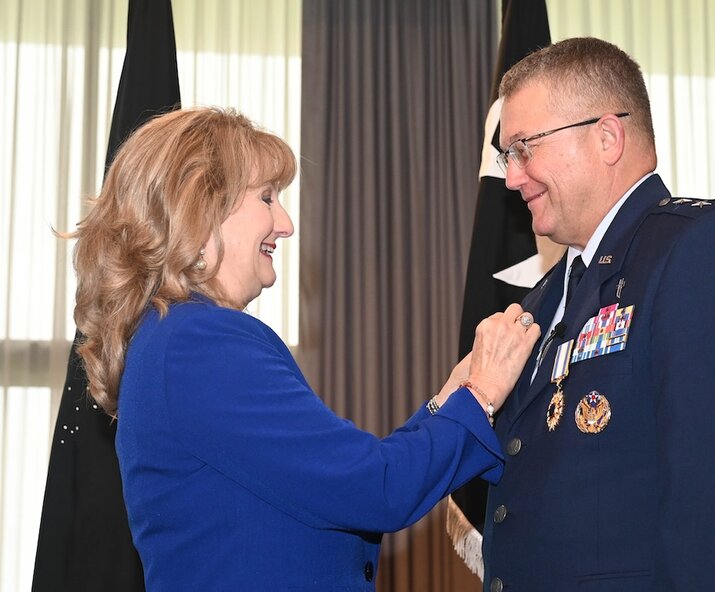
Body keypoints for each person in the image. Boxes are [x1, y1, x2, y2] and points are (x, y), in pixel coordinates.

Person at [67, 106, 541, 590]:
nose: (286, 223)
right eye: (267, 198)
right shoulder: (200, 342)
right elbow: (378, 489)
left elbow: (337, 485)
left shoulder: (170, 339)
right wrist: (482, 393)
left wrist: (449, 398)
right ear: (200, 208)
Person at [482, 37, 715, 591]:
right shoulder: (545, 298)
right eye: (509, 156)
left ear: (607, 137)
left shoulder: (699, 251)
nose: (511, 178)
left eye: (524, 148)